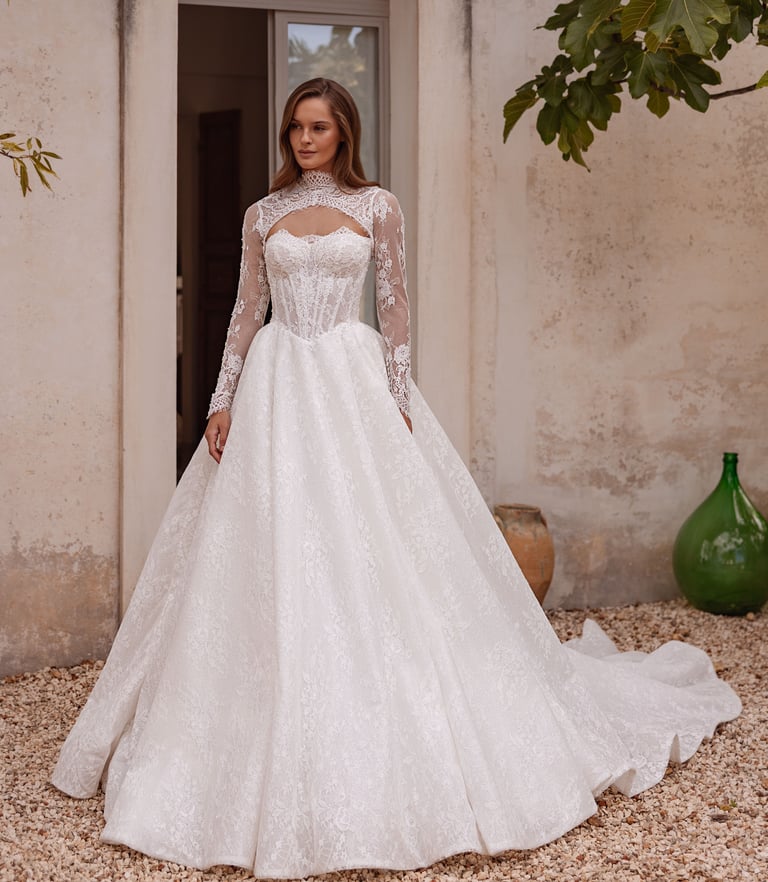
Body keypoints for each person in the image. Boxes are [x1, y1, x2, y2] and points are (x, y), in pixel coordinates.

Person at [51, 78, 741, 879]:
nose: (303, 140)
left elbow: (394, 301)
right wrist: (221, 401)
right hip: (276, 383)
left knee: (374, 545)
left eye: (318, 128)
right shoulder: (260, 215)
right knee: (264, 549)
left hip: (350, 378)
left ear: (343, 133)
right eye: (296, 129)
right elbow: (245, 311)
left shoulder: (379, 205)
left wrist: (399, 388)